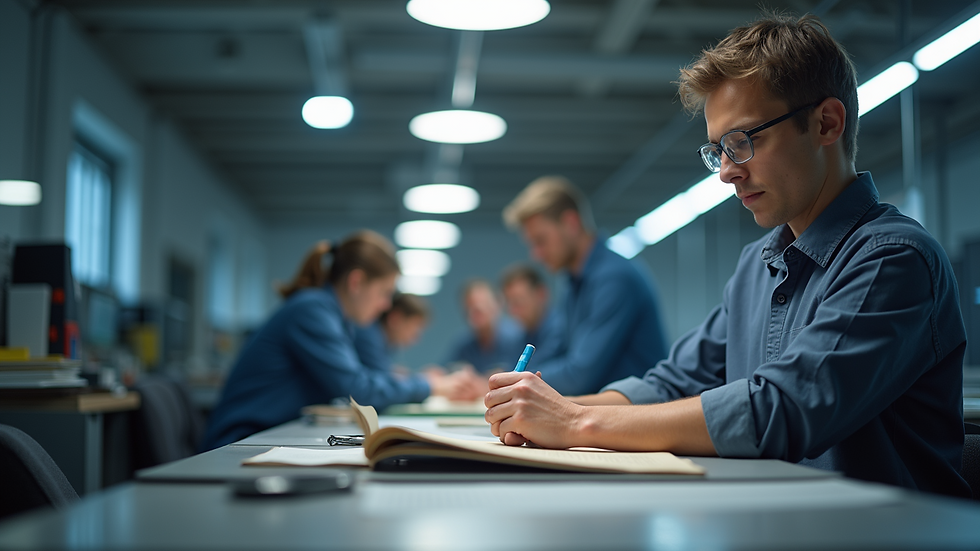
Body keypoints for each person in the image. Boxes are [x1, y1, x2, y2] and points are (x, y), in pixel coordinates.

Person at [485, 13, 970, 498]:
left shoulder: (893, 259)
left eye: (743, 142)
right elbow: (676, 381)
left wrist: (575, 421)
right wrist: (539, 409)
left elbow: (783, 409)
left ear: (826, 123)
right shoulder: (758, 264)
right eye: (719, 150)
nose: (726, 172)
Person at [201, 233, 475, 450]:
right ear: (356, 282)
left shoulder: (333, 316)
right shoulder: (312, 310)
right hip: (237, 442)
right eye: (384, 292)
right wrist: (430, 384)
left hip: (263, 436)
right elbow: (358, 389)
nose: (385, 305)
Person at [501, 176, 669, 396]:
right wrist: (506, 377)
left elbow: (579, 375)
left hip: (638, 420)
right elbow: (555, 354)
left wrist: (513, 382)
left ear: (570, 223)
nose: (536, 254)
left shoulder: (614, 278)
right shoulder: (573, 284)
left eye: (541, 241)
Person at [444, 279, 523, 374]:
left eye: (482, 307)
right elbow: (445, 369)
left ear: (498, 304)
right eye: (470, 309)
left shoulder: (519, 337)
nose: (475, 315)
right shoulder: (464, 345)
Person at [354, 293, 430, 374]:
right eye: (415, 329)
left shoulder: (381, 342)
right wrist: (425, 381)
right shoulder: (369, 337)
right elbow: (384, 381)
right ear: (395, 318)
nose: (416, 338)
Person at [500, 264, 555, 351]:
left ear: (541, 295)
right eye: (509, 303)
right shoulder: (521, 338)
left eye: (518, 302)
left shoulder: (564, 332)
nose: (513, 311)